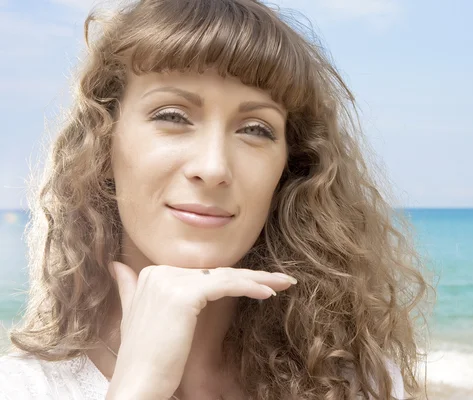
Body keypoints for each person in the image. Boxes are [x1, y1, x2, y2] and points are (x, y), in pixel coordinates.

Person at [0, 0, 433, 399]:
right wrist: (138, 387)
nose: (213, 167)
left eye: (255, 129)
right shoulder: (21, 388)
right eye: (172, 116)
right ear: (103, 143)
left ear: (291, 168)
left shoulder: (357, 384)